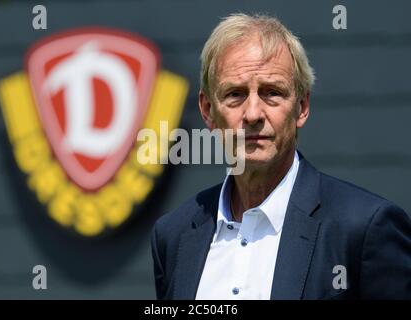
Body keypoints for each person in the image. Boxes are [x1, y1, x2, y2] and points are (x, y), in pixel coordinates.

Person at [150, 13, 411, 300]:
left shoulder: (364, 228)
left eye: (272, 93)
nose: (252, 114)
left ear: (301, 106)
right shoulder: (172, 235)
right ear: (208, 110)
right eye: (235, 94)